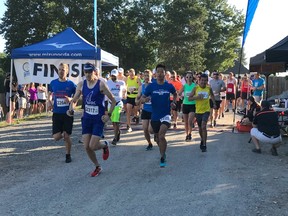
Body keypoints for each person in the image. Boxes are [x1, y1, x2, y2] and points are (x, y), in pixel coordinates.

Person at [68, 63, 116, 177]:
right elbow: (74, 100)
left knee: (93, 146)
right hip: (86, 119)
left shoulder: (101, 84)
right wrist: (70, 109)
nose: (88, 74)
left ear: (94, 71)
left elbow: (113, 101)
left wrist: (108, 115)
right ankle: (97, 166)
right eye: (86, 72)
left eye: (90, 72)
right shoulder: (81, 84)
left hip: (98, 119)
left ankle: (105, 145)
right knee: (86, 146)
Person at [142, 64, 177, 167]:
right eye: (158, 72)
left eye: (162, 72)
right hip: (155, 115)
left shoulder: (169, 86)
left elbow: (175, 94)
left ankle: (162, 156)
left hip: (166, 114)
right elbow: (142, 98)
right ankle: (159, 143)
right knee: (152, 132)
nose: (160, 74)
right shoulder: (151, 86)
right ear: (155, 74)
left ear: (165, 74)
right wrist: (145, 99)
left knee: (161, 135)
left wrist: (174, 102)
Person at [47, 63, 76, 163]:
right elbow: (50, 94)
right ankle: (64, 134)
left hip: (67, 113)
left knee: (66, 135)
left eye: (63, 69)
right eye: (59, 69)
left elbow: (77, 97)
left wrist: (71, 98)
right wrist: (49, 101)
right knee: (56, 137)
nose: (61, 71)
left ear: (67, 71)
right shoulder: (53, 83)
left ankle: (68, 155)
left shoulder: (71, 84)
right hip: (57, 113)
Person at [189, 73, 217, 152]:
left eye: (205, 81)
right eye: (202, 80)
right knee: (200, 128)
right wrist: (196, 97)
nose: (203, 82)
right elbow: (189, 98)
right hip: (198, 111)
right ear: (199, 80)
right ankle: (202, 138)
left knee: (204, 126)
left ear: (207, 81)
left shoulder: (208, 88)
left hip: (206, 110)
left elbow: (212, 96)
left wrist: (214, 103)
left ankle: (204, 144)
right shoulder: (195, 88)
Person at [106, 69, 126, 145]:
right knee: (113, 122)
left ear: (117, 75)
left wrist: (124, 94)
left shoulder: (121, 82)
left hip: (118, 103)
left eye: (115, 76)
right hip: (110, 104)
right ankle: (118, 132)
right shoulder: (108, 82)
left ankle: (115, 138)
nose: (113, 77)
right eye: (112, 76)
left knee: (116, 120)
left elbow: (124, 90)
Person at [136, 69, 154, 150]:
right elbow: (137, 99)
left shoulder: (154, 86)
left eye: (148, 76)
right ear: (143, 77)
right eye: (145, 76)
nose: (147, 77)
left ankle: (156, 134)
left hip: (154, 110)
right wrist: (141, 100)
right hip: (145, 110)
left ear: (151, 77)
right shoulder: (141, 87)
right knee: (145, 129)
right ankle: (149, 143)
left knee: (151, 130)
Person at [178, 71, 196, 141]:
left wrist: (194, 96)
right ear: (185, 78)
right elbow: (179, 93)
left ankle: (190, 133)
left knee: (190, 120)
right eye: (187, 77)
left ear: (192, 78)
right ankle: (187, 134)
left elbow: (197, 93)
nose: (188, 78)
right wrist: (181, 95)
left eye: (190, 77)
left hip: (192, 105)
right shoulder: (184, 86)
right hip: (185, 104)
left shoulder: (195, 86)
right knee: (186, 122)